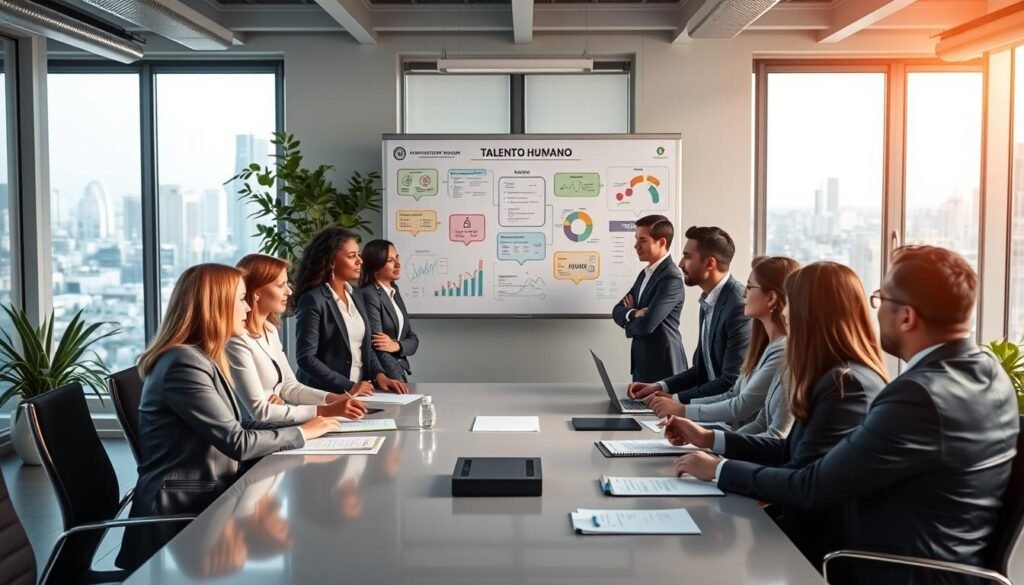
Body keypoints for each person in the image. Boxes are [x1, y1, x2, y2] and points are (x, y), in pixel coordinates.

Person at [675, 246, 1019, 584]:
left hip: (881, 566)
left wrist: (720, 470)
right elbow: (805, 456)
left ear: (907, 317)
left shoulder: (916, 395)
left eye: (881, 299)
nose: (876, 311)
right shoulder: (989, 375)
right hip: (915, 559)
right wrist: (712, 442)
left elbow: (812, 485)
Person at [116, 263, 342, 571]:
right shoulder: (184, 364)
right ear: (216, 306)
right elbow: (237, 441)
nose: (248, 307)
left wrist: (304, 425)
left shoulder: (200, 357)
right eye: (241, 299)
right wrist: (304, 432)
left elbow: (237, 426)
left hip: (205, 493)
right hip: (182, 507)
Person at [664, 261, 887, 566]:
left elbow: (806, 482)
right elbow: (790, 449)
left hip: (813, 546)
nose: (784, 313)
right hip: (796, 525)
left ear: (811, 311)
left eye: (791, 304)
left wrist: (719, 470)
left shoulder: (845, 384)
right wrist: (707, 438)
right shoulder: (835, 374)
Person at [649, 257, 798, 441]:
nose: (744, 294)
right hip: (746, 441)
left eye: (750, 287)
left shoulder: (783, 351)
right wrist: (702, 438)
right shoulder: (764, 346)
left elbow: (742, 407)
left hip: (760, 455)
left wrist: (683, 411)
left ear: (772, 298)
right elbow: (735, 396)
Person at [227, 253, 369, 423]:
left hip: (276, 424)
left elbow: (290, 387)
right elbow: (260, 412)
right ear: (257, 292)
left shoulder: (270, 330)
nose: (289, 291)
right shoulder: (237, 340)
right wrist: (325, 410)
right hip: (255, 434)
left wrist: (335, 399)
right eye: (281, 285)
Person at [629, 226, 751, 403]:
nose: (680, 263)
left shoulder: (738, 307)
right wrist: (659, 386)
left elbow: (729, 382)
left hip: (726, 417)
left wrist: (675, 400)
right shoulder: (708, 301)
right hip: (706, 408)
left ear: (710, 263)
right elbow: (701, 370)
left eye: (687, 256)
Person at [292, 227, 408, 394]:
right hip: (324, 395)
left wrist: (380, 376)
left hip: (359, 394)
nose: (360, 261)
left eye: (358, 254)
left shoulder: (356, 296)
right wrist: (348, 386)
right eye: (352, 256)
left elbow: (365, 347)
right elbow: (306, 359)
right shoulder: (313, 300)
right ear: (332, 261)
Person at [611, 215, 687, 382]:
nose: (636, 246)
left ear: (661, 242)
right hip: (642, 366)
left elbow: (646, 325)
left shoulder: (671, 278)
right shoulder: (645, 274)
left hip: (664, 368)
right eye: (636, 239)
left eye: (643, 240)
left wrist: (630, 324)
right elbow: (616, 310)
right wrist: (633, 313)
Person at [357, 240, 420, 383]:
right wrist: (397, 379)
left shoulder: (394, 292)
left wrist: (396, 345)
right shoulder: (369, 294)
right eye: (390, 261)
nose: (398, 264)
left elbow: (413, 338)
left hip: (397, 371)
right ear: (376, 266)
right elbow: (378, 346)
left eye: (397, 258)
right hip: (383, 375)